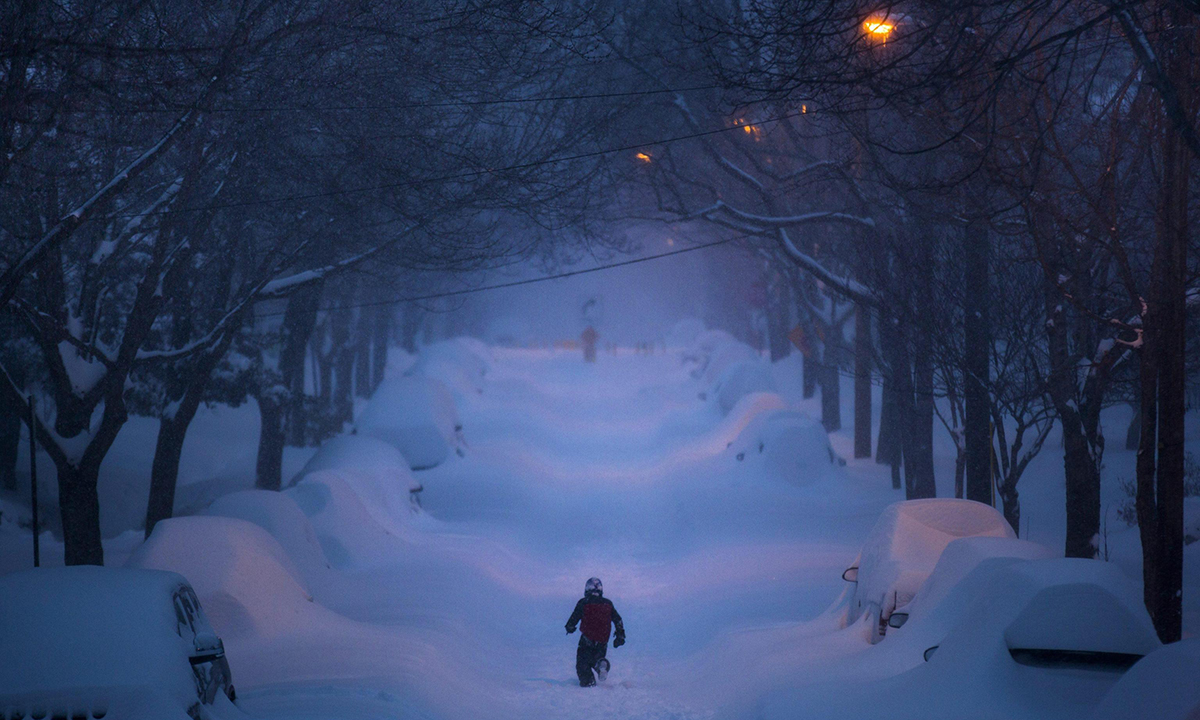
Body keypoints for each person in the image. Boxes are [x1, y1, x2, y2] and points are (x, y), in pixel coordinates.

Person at [565, 577, 625, 687]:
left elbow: (573, 618)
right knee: (596, 660)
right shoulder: (608, 603)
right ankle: (600, 665)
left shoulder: (583, 602)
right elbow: (618, 619)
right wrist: (620, 635)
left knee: (582, 664)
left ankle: (589, 683)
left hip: (586, 640)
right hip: (602, 641)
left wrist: (570, 627)